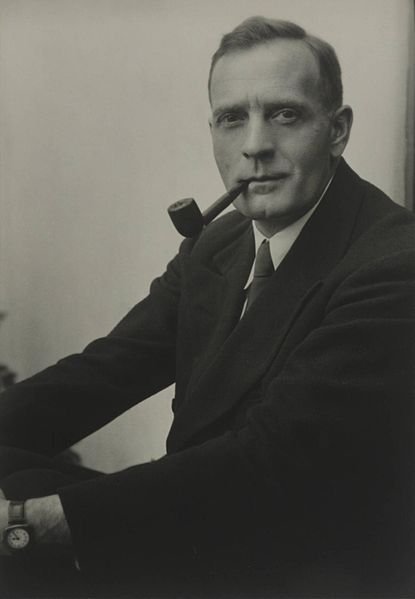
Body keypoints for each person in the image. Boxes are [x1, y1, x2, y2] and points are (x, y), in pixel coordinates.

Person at [0, 15, 414, 598]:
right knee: (13, 465)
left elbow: (265, 463)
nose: (255, 145)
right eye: (232, 119)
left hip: (297, 567)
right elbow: (106, 371)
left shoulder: (394, 264)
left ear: (338, 130)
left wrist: (25, 525)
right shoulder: (218, 243)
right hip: (206, 528)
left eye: (285, 114)